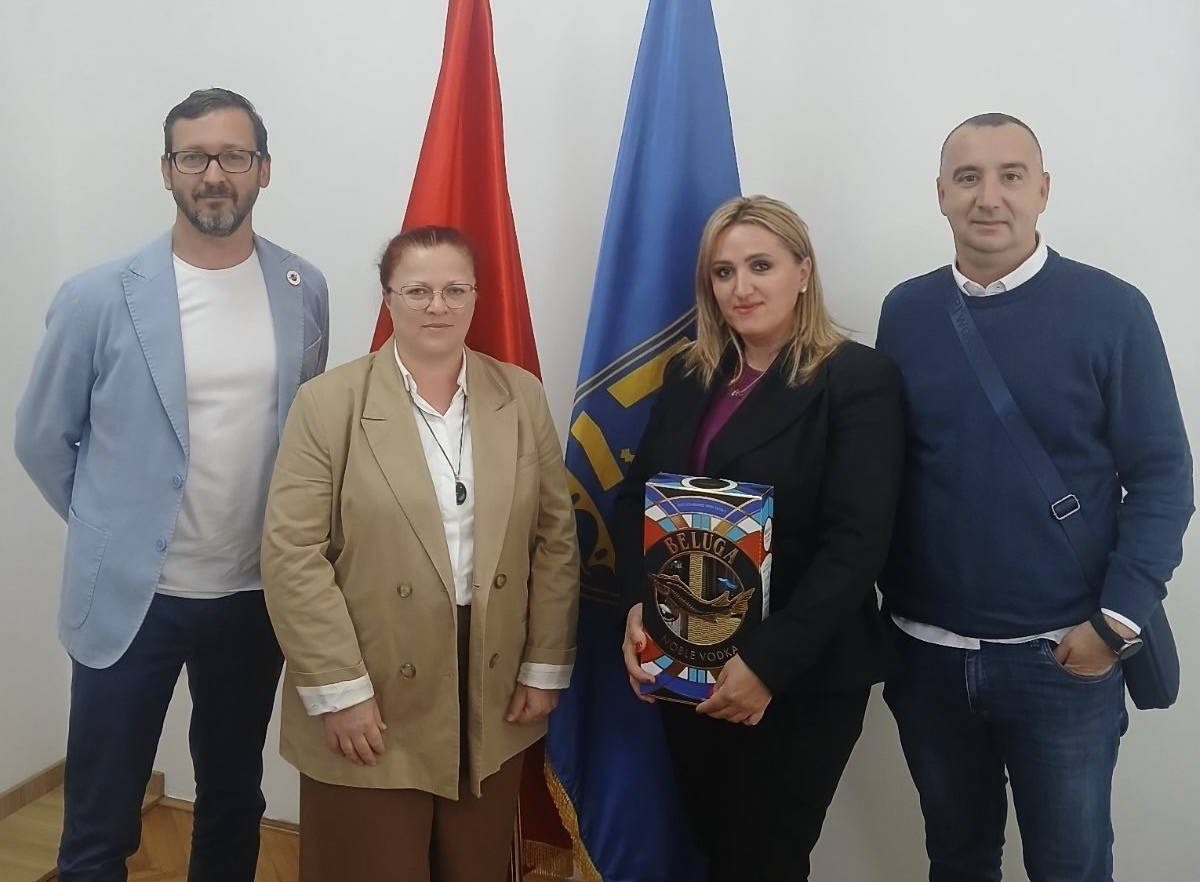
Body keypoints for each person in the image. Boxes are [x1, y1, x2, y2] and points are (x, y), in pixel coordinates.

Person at [13, 88, 329, 882]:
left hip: (251, 596)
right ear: (167, 170)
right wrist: (110, 528)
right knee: (100, 819)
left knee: (234, 798)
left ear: (263, 169)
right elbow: (43, 439)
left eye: (233, 155)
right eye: (194, 156)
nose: (213, 174)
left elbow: (304, 437)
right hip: (132, 601)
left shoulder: (304, 288)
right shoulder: (97, 297)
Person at [877, 113, 1193, 882]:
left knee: (1071, 868)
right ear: (940, 194)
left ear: (1043, 190)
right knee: (957, 861)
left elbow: (1163, 476)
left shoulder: (1112, 310)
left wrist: (1115, 623)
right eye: (968, 177)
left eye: (1010, 176)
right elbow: (886, 468)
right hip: (928, 658)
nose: (989, 197)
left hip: (1063, 660)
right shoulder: (906, 312)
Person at [260, 225, 579, 882]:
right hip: (370, 670)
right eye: (418, 290)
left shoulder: (520, 395)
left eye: (455, 289)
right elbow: (292, 554)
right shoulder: (329, 403)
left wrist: (544, 663)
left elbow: (555, 538)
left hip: (491, 675)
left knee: (473, 865)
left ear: (476, 297)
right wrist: (339, 691)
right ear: (388, 298)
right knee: (370, 864)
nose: (438, 305)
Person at [617, 195, 905, 881]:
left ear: (803, 272)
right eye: (723, 272)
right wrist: (640, 609)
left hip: (798, 676)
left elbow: (856, 542)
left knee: (763, 863)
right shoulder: (690, 373)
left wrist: (768, 665)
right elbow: (637, 501)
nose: (741, 288)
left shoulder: (857, 379)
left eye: (760, 266)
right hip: (688, 664)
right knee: (714, 850)